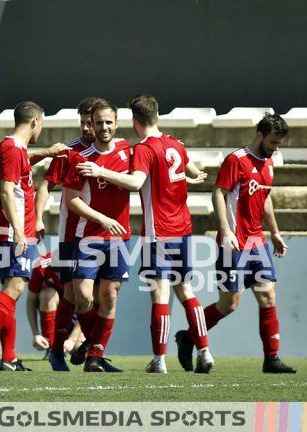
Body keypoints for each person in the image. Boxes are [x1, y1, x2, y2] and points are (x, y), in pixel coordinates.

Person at [76, 94, 214, 374]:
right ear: (158, 117)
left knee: (160, 295)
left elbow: (135, 181)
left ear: (134, 121)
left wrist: (100, 169)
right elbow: (192, 171)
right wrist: (193, 176)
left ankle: (159, 360)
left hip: (158, 231)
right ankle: (205, 351)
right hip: (184, 230)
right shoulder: (175, 143)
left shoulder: (143, 149)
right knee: (187, 290)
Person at [175, 113, 296, 374]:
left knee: (268, 296)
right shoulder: (236, 160)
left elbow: (265, 198)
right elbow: (218, 192)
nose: (275, 148)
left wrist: (274, 232)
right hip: (234, 244)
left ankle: (271, 358)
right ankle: (187, 338)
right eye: (272, 142)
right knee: (229, 304)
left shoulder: (269, 163)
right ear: (260, 135)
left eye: (279, 144)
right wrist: (225, 229)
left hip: (257, 242)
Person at [0, 100, 67, 372]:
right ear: (35, 121)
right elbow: (6, 191)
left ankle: (9, 358)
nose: (41, 129)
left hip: (13, 229)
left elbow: (22, 165)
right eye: (42, 124)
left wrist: (46, 153)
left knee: (11, 292)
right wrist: (20, 232)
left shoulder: (16, 149)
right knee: (16, 288)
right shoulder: (12, 149)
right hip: (15, 231)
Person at [34, 97, 102, 371]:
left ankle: (89, 347)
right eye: (83, 122)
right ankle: (60, 349)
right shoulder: (68, 151)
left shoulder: (113, 151)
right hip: (72, 235)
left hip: (104, 236)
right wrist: (38, 217)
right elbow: (45, 188)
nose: (86, 128)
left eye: (91, 123)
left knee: (103, 295)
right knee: (74, 296)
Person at [63, 99, 130, 372]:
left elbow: (140, 181)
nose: (103, 127)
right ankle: (93, 343)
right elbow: (72, 201)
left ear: (116, 124)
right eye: (98, 122)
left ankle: (95, 356)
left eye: (108, 122)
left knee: (110, 296)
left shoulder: (129, 151)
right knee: (83, 297)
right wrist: (103, 219)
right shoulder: (79, 157)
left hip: (119, 238)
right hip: (88, 236)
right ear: (91, 123)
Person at [25, 251, 85, 358]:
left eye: (63, 272)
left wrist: (72, 339)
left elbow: (86, 305)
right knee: (47, 295)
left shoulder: (81, 269)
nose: (59, 276)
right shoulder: (40, 266)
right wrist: (35, 334)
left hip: (76, 308)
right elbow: (31, 301)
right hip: (56, 305)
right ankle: (51, 347)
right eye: (56, 271)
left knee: (78, 351)